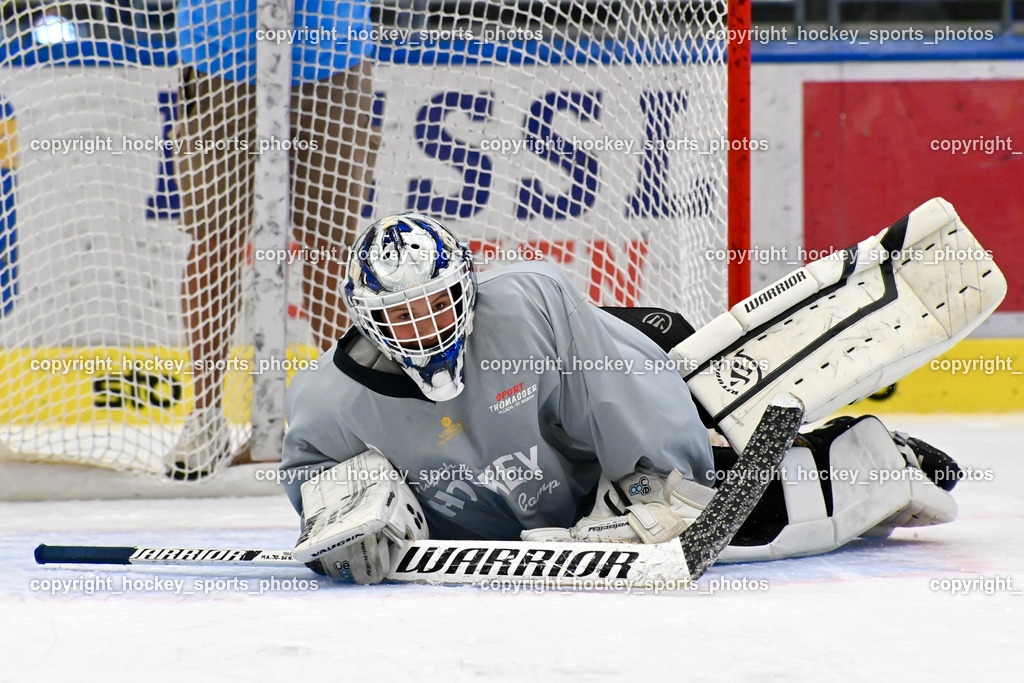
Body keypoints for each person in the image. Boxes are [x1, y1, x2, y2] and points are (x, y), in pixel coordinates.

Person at [280, 212, 961, 583]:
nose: (426, 327)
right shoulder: (326, 404)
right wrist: (340, 518)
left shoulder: (526, 306)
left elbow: (612, 378)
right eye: (404, 315)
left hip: (630, 400)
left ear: (467, 287)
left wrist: (651, 482)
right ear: (366, 320)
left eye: (438, 304)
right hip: (544, 507)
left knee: (768, 519)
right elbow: (311, 473)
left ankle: (871, 456)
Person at [168, 0, 380, 479]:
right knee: (213, 239)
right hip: (219, 50)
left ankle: (342, 421)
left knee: (331, 246)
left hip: (332, 51)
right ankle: (205, 418)